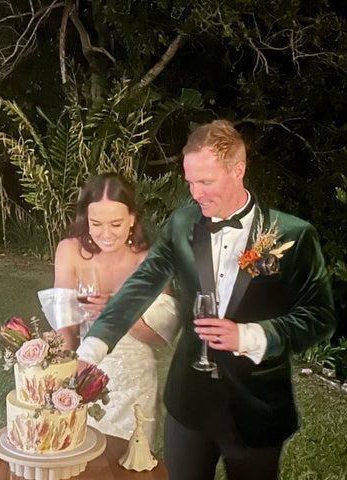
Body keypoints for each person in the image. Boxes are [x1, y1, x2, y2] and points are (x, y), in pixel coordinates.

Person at [76, 120, 336, 480]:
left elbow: (320, 316)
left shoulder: (293, 235)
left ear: (238, 171)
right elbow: (140, 285)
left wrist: (249, 336)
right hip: (189, 407)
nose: (196, 194)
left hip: (256, 409)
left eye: (206, 182)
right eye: (190, 182)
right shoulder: (181, 225)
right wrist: (90, 352)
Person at [39, 173, 179, 444]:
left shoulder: (149, 260)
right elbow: (66, 330)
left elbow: (161, 337)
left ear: (132, 219)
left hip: (134, 380)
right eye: (96, 223)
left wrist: (115, 313)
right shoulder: (69, 251)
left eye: (115, 224)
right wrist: (60, 374)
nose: (105, 234)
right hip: (84, 372)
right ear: (85, 220)